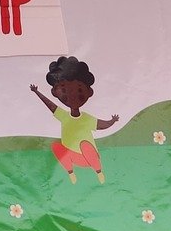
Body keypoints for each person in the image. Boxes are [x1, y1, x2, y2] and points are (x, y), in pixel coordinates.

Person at [30, 56, 119, 184]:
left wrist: (112, 121)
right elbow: (51, 106)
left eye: (79, 90)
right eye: (64, 90)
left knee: (85, 145)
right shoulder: (64, 116)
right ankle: (71, 173)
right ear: (55, 92)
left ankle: (99, 172)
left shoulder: (86, 118)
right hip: (73, 157)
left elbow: (101, 124)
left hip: (89, 158)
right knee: (56, 146)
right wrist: (37, 92)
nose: (72, 95)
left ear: (89, 92)